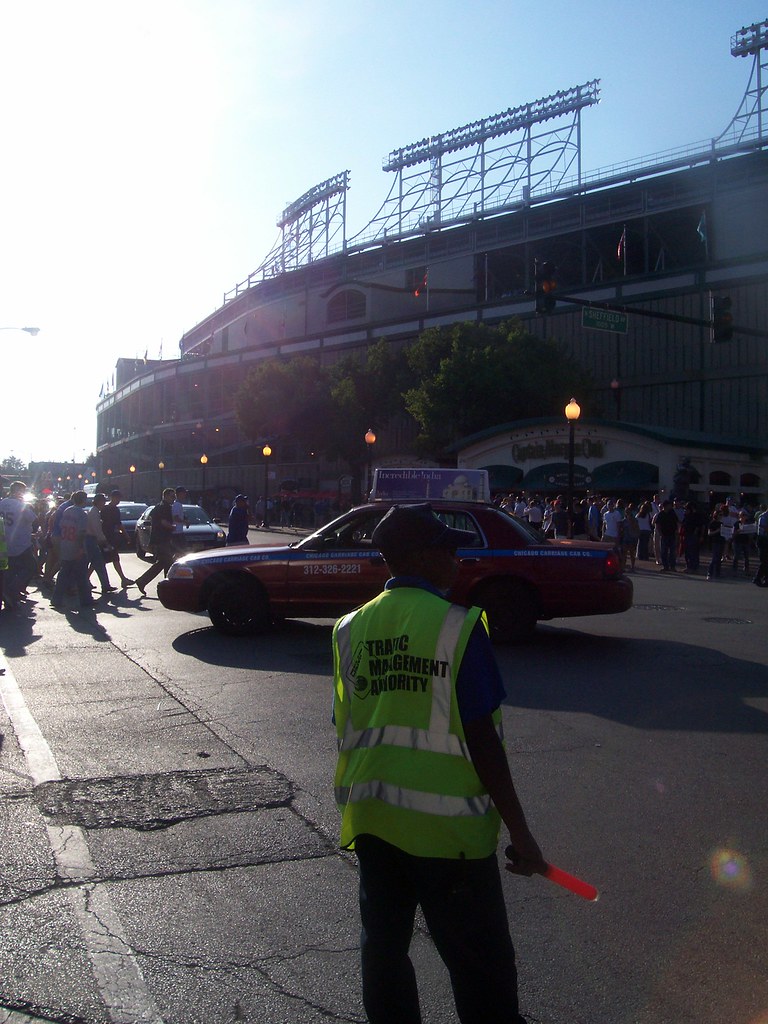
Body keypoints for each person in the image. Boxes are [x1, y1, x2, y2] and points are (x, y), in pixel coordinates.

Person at [332, 503, 545, 1024]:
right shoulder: (459, 627)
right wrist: (521, 832)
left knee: (383, 950)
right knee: (481, 969)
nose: (458, 558)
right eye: (448, 549)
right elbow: (482, 741)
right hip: (448, 836)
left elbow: (348, 719)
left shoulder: (349, 628)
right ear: (421, 557)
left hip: (375, 822)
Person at [51, 491, 93, 610]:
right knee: (82, 575)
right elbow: (81, 533)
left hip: (65, 543)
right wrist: (80, 548)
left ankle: (56, 598)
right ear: (83, 500)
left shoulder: (67, 510)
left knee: (63, 574)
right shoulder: (82, 514)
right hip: (75, 545)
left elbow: (61, 526)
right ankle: (86, 600)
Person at [0, 480, 39, 607]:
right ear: (18, 491)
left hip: (5, 541)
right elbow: (33, 519)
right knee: (31, 567)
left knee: (10, 570)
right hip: (20, 542)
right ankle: (11, 590)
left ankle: (9, 596)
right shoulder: (20, 505)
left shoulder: (2, 503)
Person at [135, 488, 177, 596]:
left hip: (161, 539)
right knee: (166, 563)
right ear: (165, 496)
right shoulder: (164, 507)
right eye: (172, 496)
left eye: (174, 496)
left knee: (165, 563)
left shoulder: (159, 506)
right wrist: (173, 527)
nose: (174, 498)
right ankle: (165, 586)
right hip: (162, 540)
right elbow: (163, 522)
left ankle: (165, 586)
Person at [100, 490, 134, 588]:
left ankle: (123, 579)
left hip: (110, 537)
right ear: (112, 498)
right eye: (116, 498)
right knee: (101, 560)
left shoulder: (114, 509)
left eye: (119, 498)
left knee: (112, 558)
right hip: (106, 537)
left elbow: (118, 524)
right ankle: (86, 578)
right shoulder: (107, 509)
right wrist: (126, 535)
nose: (118, 500)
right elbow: (117, 524)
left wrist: (125, 535)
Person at [86, 492, 116, 594]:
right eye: (103, 501)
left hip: (91, 539)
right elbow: (97, 530)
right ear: (99, 502)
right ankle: (104, 585)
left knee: (97, 563)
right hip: (91, 540)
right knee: (98, 563)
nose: (104, 503)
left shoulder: (94, 511)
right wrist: (105, 543)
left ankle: (104, 585)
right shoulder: (94, 513)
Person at [652, 499, 679, 572]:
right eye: (669, 505)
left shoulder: (672, 513)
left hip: (672, 534)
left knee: (672, 552)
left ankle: (672, 566)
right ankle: (665, 566)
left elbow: (676, 522)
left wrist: (677, 531)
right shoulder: (661, 514)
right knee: (664, 551)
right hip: (664, 535)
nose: (670, 506)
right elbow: (657, 524)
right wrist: (660, 533)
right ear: (666, 506)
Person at [753, 506, 768, 587]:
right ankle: (757, 578)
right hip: (763, 540)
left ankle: (766, 579)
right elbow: (765, 528)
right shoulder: (763, 516)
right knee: (764, 561)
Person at [172, 486, 189, 552]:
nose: (185, 495)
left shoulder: (178, 504)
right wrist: (185, 522)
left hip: (178, 531)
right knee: (181, 551)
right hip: (177, 532)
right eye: (184, 493)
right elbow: (175, 517)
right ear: (179, 494)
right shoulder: (177, 505)